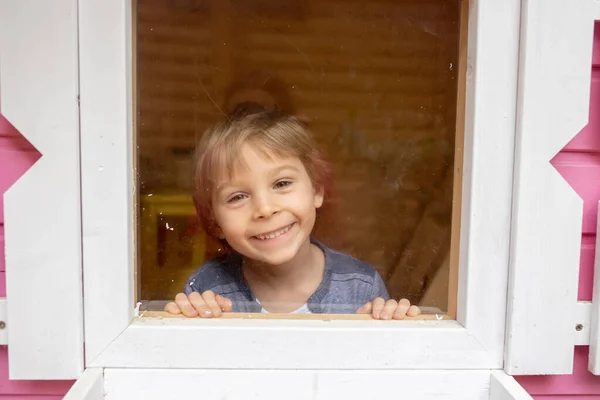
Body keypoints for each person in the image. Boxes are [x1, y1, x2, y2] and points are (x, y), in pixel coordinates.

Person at [164, 109, 421, 319]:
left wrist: (390, 326)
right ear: (214, 221)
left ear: (317, 190)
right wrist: (190, 323)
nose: (265, 209)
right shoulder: (208, 286)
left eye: (282, 184)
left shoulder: (360, 285)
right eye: (238, 197)